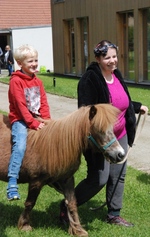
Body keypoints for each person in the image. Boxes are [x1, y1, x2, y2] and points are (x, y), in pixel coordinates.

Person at [60, 40, 148, 226]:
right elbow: (86, 112)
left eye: (114, 56)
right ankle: (67, 206)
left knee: (118, 175)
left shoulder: (116, 75)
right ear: (98, 58)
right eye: (107, 57)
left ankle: (114, 214)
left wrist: (137, 107)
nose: (112, 61)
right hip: (100, 139)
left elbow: (121, 102)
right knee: (98, 179)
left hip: (120, 134)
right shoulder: (90, 79)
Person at [7, 44, 51, 201]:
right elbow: (20, 107)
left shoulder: (38, 81)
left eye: (36, 60)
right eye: (30, 61)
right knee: (19, 145)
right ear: (20, 63)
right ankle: (12, 181)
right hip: (20, 119)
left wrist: (46, 121)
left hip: (37, 117)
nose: (34, 64)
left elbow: (44, 102)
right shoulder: (16, 81)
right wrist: (33, 124)